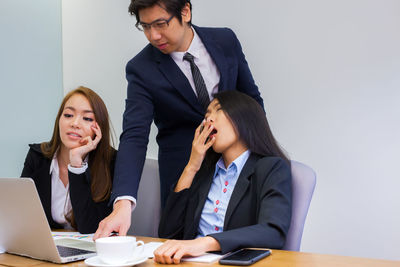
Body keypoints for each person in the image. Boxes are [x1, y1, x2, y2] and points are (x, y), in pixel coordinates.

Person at [95, 0, 264, 239]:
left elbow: (252, 102)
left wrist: (260, 157)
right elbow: (134, 135)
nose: (153, 35)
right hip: (183, 174)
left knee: (243, 244)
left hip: (237, 167)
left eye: (160, 24)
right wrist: (122, 203)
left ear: (185, 11)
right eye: (145, 27)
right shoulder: (141, 69)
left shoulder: (225, 41)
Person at [154, 90, 292, 264]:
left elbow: (273, 232)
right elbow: (168, 232)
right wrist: (191, 166)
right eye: (206, 115)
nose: (208, 120)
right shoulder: (204, 171)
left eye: (218, 110)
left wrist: (204, 243)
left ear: (244, 119)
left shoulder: (271, 167)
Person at [21, 86, 116, 234]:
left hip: (91, 250)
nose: (75, 123)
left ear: (99, 128)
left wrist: (76, 165)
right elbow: (23, 217)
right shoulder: (37, 156)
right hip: (47, 249)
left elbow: (90, 228)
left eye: (87, 118)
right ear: (59, 119)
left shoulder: (111, 162)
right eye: (68, 115)